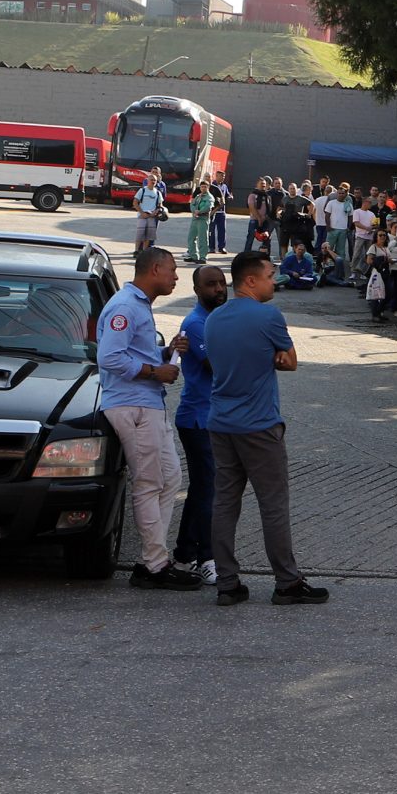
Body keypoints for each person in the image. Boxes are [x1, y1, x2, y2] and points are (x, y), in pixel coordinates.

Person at [206, 250, 325, 606]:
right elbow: (290, 362)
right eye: (271, 276)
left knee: (225, 501)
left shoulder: (213, 319)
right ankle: (287, 581)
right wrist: (271, 357)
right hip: (258, 424)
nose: (276, 281)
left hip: (221, 421)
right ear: (251, 280)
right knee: (273, 503)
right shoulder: (268, 316)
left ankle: (227, 582)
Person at [94, 246, 199, 591]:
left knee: (168, 478)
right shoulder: (125, 306)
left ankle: (152, 559)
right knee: (150, 482)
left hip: (146, 403)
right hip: (133, 405)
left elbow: (131, 352)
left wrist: (164, 353)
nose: (175, 278)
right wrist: (155, 370)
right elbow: (109, 358)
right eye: (171, 271)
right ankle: (154, 566)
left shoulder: (137, 305)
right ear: (154, 270)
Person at [169, 262, 227, 584]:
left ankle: (183, 557)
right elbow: (217, 366)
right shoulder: (196, 324)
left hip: (212, 418)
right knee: (210, 490)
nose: (219, 289)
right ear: (196, 290)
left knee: (204, 489)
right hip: (197, 419)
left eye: (221, 283)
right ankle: (207, 557)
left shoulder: (217, 320)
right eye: (211, 284)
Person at [132, 173, 167, 254]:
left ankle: (144, 251)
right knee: (140, 235)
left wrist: (156, 212)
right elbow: (135, 203)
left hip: (152, 216)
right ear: (147, 180)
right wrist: (141, 212)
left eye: (154, 180)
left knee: (148, 236)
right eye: (151, 180)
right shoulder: (142, 190)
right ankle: (136, 251)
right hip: (142, 216)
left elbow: (160, 205)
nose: (153, 181)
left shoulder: (158, 193)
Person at [185, 177, 216, 265]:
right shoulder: (198, 196)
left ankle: (203, 257)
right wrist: (194, 211)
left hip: (203, 219)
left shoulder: (209, 197)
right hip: (195, 219)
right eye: (202, 187)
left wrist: (200, 211)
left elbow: (208, 206)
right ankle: (193, 255)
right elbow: (192, 204)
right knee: (191, 238)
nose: (203, 188)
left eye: (205, 187)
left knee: (203, 239)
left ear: (208, 187)